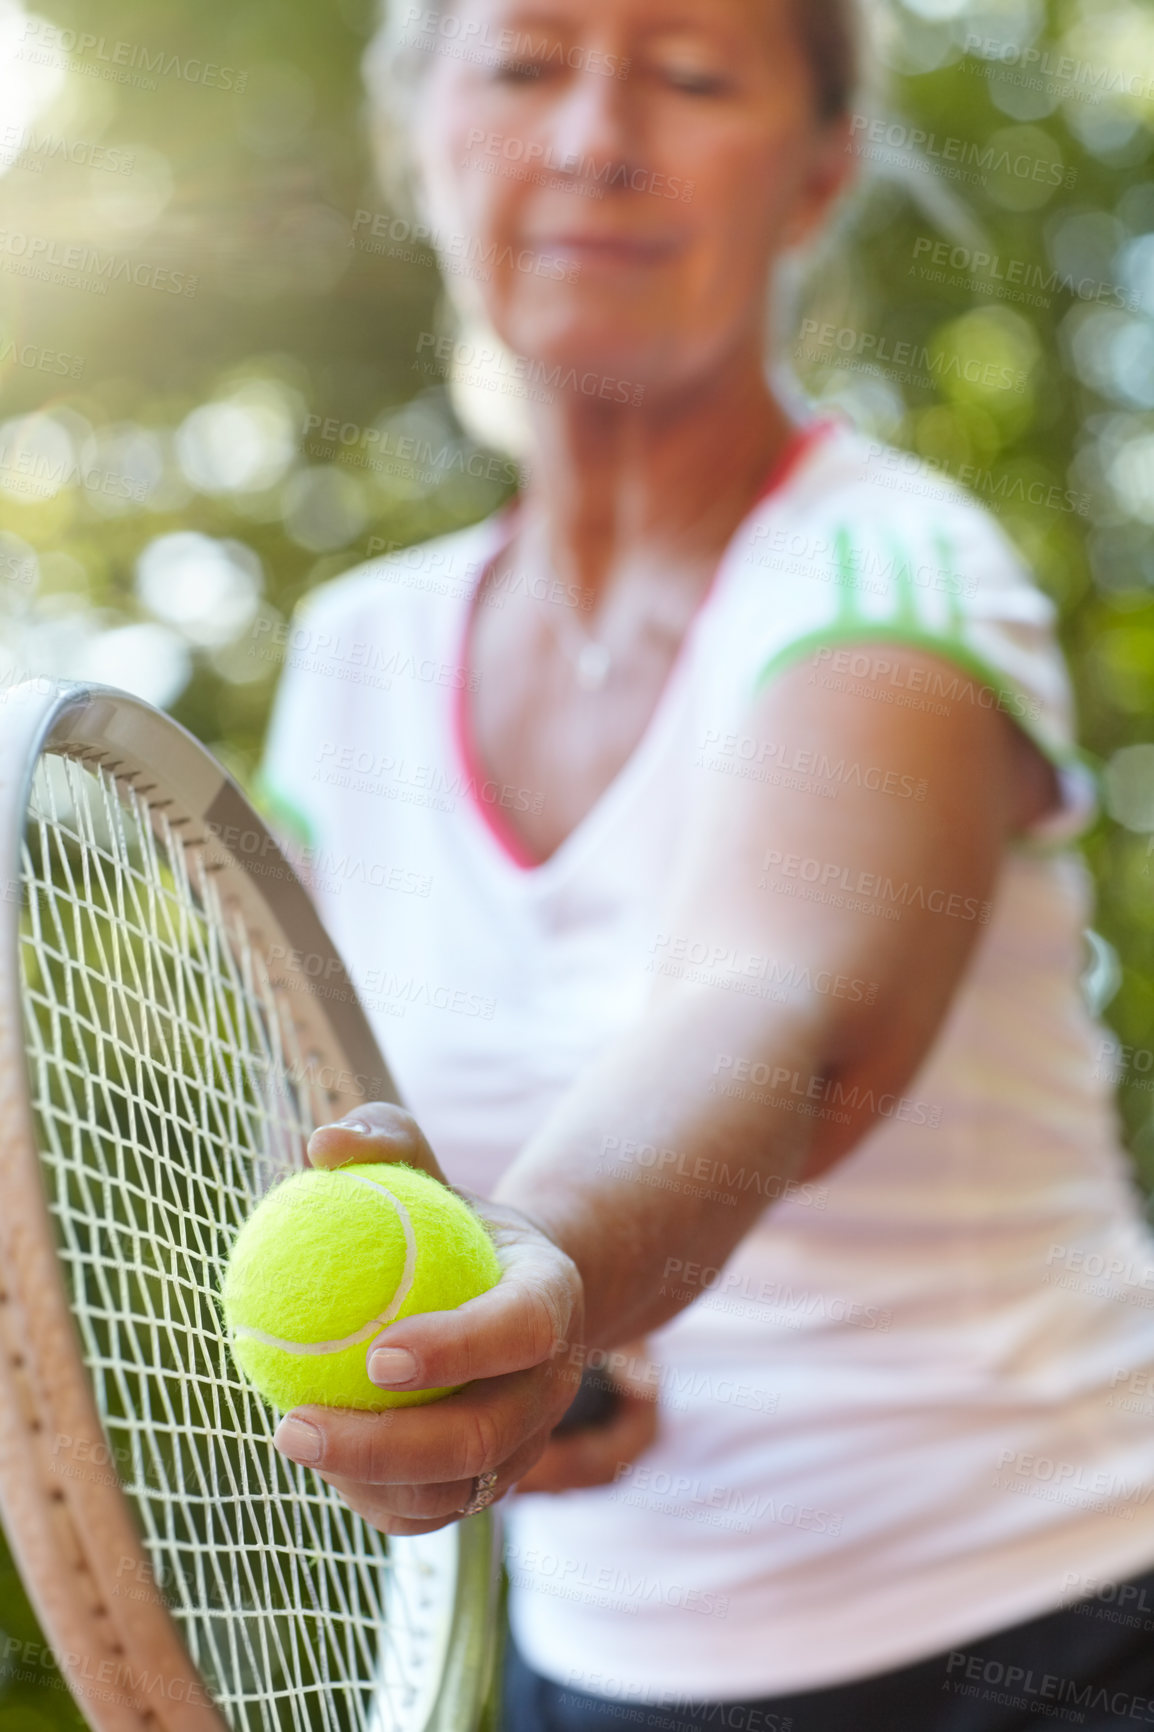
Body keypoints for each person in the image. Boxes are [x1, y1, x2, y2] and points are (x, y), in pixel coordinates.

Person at [258, 0, 1154, 1725]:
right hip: (590, 1669)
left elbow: (779, 1010)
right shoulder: (349, 662)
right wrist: (567, 1364)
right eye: (524, 65)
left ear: (816, 171)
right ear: (424, 140)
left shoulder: (886, 559)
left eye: (685, 75)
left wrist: (552, 1271)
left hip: (1060, 1628)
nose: (597, 138)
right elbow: (342, 1145)